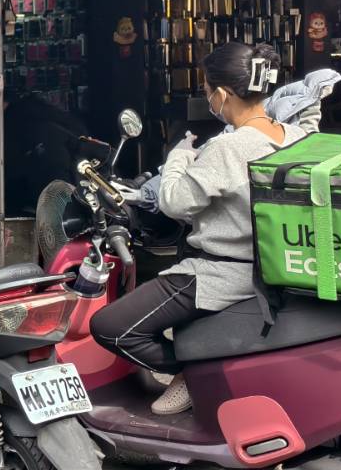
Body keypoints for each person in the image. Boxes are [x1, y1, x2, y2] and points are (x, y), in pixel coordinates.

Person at [90, 43, 304, 416]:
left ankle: (194, 373)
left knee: (110, 326)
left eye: (207, 91)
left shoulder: (229, 148)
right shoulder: (296, 136)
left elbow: (174, 201)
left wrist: (177, 157)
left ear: (222, 94)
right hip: (272, 268)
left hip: (219, 273)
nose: (209, 99)